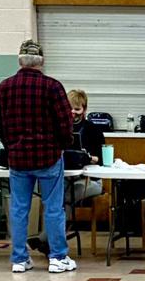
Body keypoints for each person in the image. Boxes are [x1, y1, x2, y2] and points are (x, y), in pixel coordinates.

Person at [0, 39, 78, 273]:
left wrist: (10, 143)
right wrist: (61, 145)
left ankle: (19, 259)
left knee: (19, 209)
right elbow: (65, 123)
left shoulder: (4, 87)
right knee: (53, 208)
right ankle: (58, 258)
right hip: (49, 157)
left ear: (19, 60)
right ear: (42, 61)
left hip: (18, 159)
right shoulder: (53, 87)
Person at [29, 89, 104, 256]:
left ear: (84, 109)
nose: (73, 113)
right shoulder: (59, 129)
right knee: (59, 197)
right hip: (66, 177)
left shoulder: (93, 130)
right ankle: (52, 241)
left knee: (62, 198)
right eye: (70, 108)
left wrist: (87, 157)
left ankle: (45, 238)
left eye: (77, 109)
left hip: (91, 181)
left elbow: (102, 159)